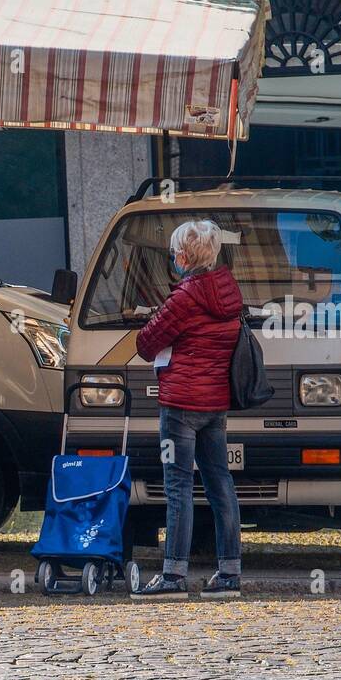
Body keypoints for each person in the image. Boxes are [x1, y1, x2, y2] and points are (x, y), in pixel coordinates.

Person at [132, 219, 244, 599]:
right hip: (215, 403)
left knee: (178, 486)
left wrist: (151, 321)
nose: (172, 258)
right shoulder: (228, 292)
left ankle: (173, 575)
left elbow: (147, 344)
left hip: (180, 405)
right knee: (220, 484)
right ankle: (229, 574)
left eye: (174, 252)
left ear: (184, 255)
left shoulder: (183, 298)